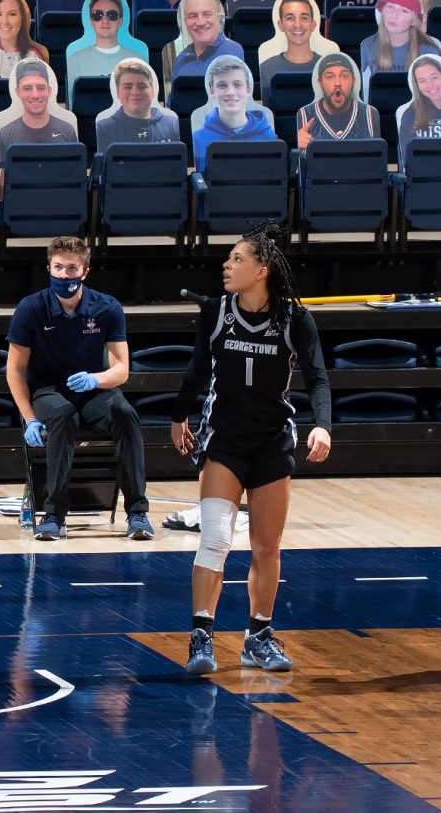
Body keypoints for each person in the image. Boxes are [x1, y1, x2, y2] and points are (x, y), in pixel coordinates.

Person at [171, 226, 333, 676]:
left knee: (266, 546)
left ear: (261, 271)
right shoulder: (216, 311)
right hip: (224, 437)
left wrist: (323, 426)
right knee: (216, 538)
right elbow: (198, 367)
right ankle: (201, 636)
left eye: (237, 259)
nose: (227, 264)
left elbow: (318, 377)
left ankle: (257, 638)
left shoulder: (294, 319)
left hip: (271, 440)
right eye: (228, 258)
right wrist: (178, 415)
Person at [4, 238, 151, 542]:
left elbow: (122, 369)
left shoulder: (107, 307)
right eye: (58, 267)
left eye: (72, 268)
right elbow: (15, 371)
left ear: (85, 271)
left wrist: (95, 379)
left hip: (93, 390)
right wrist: (29, 417)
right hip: (48, 391)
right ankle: (53, 514)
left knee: (125, 412)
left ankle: (137, 512)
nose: (64, 275)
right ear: (49, 268)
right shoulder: (31, 308)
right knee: (62, 413)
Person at [295, 52, 380, 148]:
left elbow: (378, 160)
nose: (337, 83)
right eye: (330, 77)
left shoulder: (369, 114)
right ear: (320, 83)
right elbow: (297, 161)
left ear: (353, 81)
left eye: (344, 76)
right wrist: (297, 149)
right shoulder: (304, 115)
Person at [95, 58, 181, 150]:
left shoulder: (173, 125)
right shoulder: (102, 129)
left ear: (152, 91)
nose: (135, 92)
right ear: (117, 93)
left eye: (142, 86)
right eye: (128, 87)